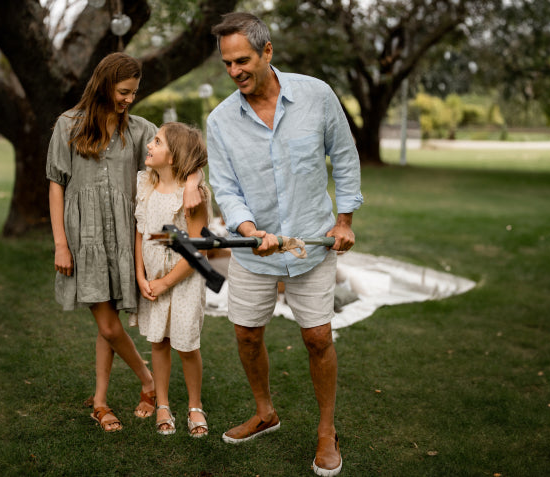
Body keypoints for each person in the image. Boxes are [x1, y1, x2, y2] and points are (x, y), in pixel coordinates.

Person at [206, 13, 363, 476]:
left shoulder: (316, 95)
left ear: (267, 52)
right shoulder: (220, 121)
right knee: (246, 334)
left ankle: (326, 431)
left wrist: (345, 219)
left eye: (243, 60)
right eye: (227, 63)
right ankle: (264, 412)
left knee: (317, 338)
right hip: (253, 253)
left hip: (312, 247)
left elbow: (345, 155)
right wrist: (249, 230)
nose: (235, 72)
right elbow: (227, 187)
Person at [46, 53, 201, 432]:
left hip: (124, 236)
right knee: (110, 325)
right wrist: (60, 244)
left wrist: (194, 183)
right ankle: (147, 380)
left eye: (134, 93)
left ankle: (100, 402)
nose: (129, 99)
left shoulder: (140, 130)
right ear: (104, 84)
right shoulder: (68, 124)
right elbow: (55, 185)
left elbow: (188, 151)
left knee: (110, 324)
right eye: (123, 91)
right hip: (86, 237)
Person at [131, 122, 211, 437]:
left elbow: (197, 251)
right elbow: (140, 233)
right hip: (152, 278)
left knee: (186, 344)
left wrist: (166, 282)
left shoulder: (192, 196)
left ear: (174, 157)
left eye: (157, 141)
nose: (149, 145)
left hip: (184, 280)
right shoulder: (146, 186)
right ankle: (162, 402)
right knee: (159, 341)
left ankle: (195, 405)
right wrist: (141, 276)